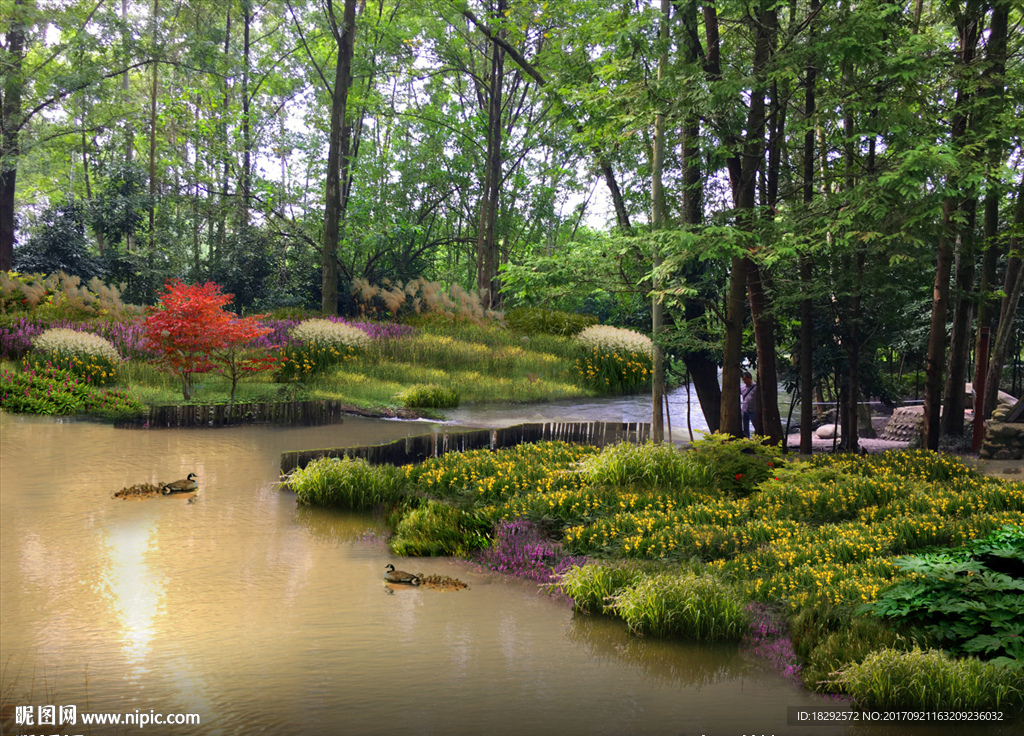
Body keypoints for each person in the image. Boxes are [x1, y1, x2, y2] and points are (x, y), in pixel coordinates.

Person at [741, 371, 757, 438]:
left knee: (756, 426)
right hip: (744, 410)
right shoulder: (742, 387)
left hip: (753, 410)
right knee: (745, 427)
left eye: (745, 379)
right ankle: (747, 440)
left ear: (749, 378)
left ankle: (757, 439)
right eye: (743, 379)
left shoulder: (756, 387)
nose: (744, 381)